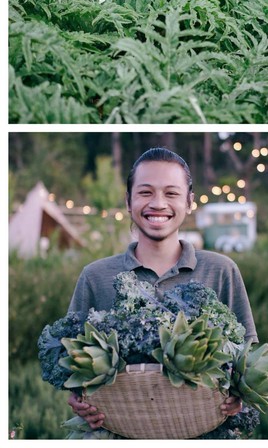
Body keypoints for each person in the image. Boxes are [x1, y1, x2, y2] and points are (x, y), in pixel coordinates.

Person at [67, 147, 257, 430]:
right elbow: (71, 358)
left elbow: (248, 355)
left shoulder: (221, 270)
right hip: (120, 431)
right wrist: (78, 400)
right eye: (145, 192)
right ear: (128, 201)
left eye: (171, 193)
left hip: (203, 430)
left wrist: (241, 394)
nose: (158, 204)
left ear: (190, 201)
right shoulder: (96, 276)